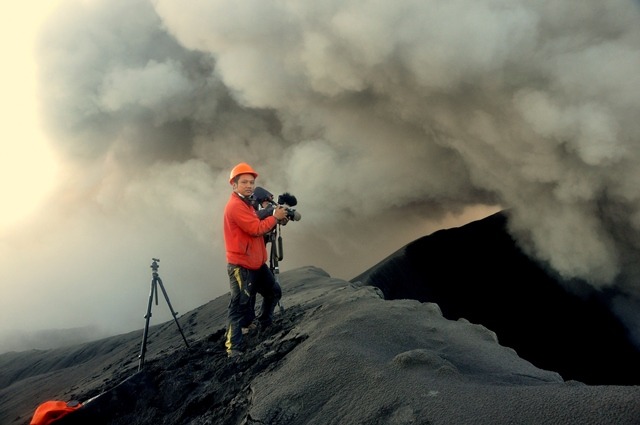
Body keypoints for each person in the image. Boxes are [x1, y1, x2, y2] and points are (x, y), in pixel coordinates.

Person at [223, 162, 288, 358]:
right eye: (244, 182)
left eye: (251, 182)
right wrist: (275, 217)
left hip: (256, 264)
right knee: (239, 305)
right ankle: (233, 348)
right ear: (234, 185)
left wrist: (272, 214)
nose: (250, 185)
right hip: (241, 266)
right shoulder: (235, 206)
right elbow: (256, 229)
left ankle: (265, 324)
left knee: (273, 292)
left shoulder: (246, 203)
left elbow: (257, 220)